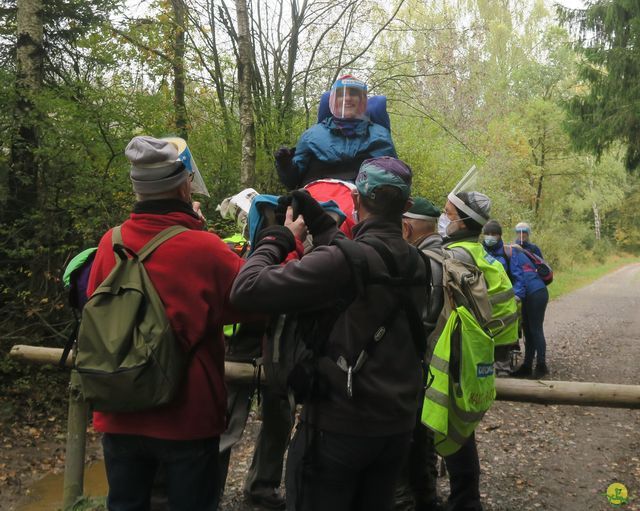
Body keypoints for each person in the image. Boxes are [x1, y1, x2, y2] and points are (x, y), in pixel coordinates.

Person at [230, 156, 428, 511]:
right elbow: (362, 255)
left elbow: (246, 288)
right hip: (396, 430)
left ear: (356, 201)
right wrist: (320, 222)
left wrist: (278, 238)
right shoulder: (418, 261)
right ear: (407, 206)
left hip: (338, 431)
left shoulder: (342, 262)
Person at [87, 135, 250, 511]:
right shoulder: (206, 248)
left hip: (119, 408)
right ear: (182, 185)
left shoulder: (108, 244)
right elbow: (252, 303)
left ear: (138, 189)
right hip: (188, 415)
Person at [434, 191, 494, 511]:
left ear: (462, 221)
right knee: (461, 427)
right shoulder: (480, 252)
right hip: (477, 352)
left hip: (456, 353)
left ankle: (464, 501)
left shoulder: (455, 256)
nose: (443, 218)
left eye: (447, 213)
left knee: (451, 426)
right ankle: (465, 498)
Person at [396, 197, 443, 511]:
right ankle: (427, 499)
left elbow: (418, 320)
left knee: (406, 443)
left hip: (417, 367)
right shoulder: (447, 255)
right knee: (423, 443)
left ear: (407, 226)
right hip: (440, 367)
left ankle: (406, 501)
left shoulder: (420, 263)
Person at [275, 75, 396, 190]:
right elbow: (292, 182)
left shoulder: (380, 135)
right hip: (314, 200)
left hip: (363, 201)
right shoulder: (311, 135)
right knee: (260, 202)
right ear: (333, 100)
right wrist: (285, 165)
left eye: (353, 93)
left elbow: (393, 179)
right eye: (341, 95)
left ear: (362, 101)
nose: (347, 98)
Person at [481, 220, 527, 377]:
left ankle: (504, 369)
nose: (490, 237)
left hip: (506, 304)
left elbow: (518, 276)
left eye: (493, 234)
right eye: (487, 234)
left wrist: (517, 296)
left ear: (500, 235)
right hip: (484, 304)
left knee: (506, 334)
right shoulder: (478, 251)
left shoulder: (508, 253)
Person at [508, 222, 550, 379]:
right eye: (518, 232)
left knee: (535, 329)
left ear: (528, 233)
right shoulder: (512, 249)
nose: (521, 235)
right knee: (527, 329)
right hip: (528, 293)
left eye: (524, 232)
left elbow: (542, 267)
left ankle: (541, 365)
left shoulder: (528, 250)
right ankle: (526, 365)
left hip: (536, 292)